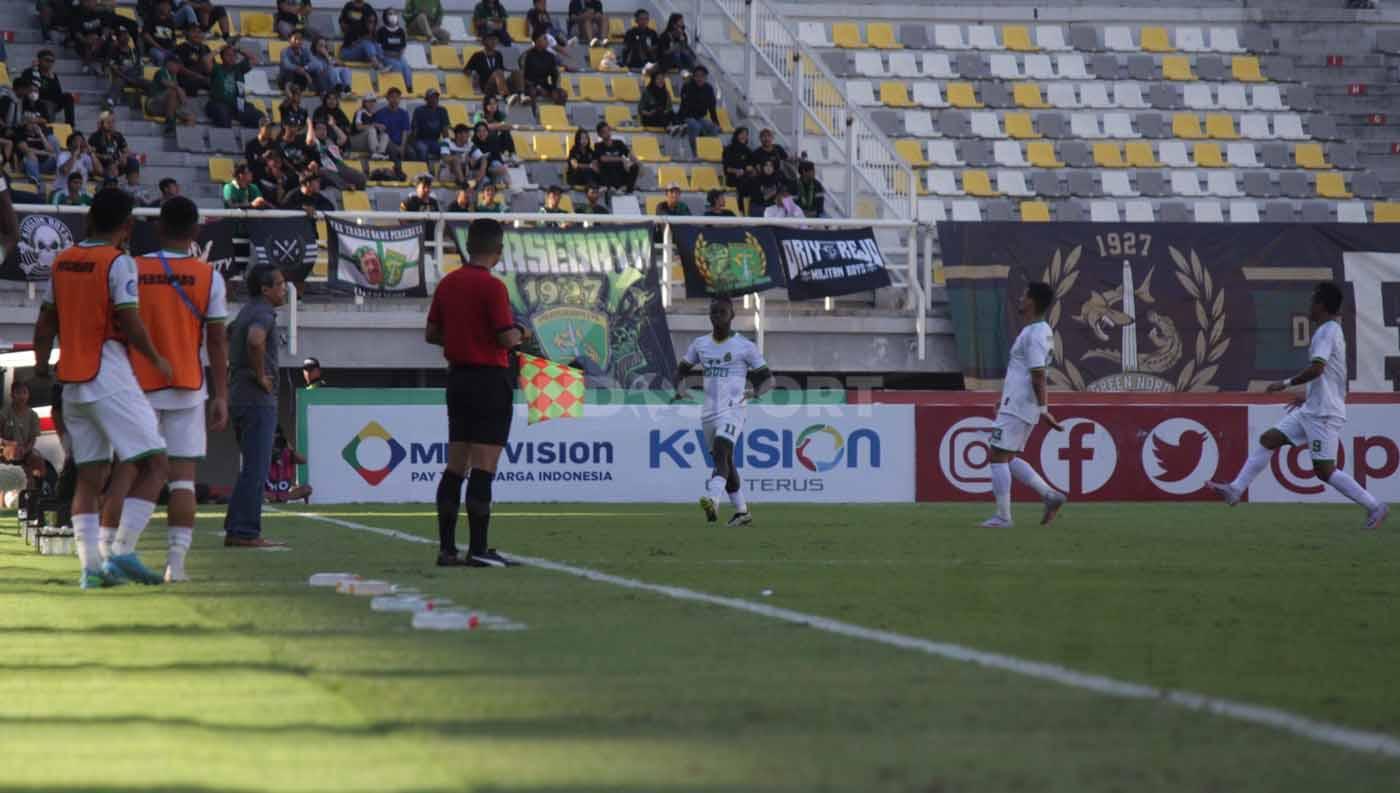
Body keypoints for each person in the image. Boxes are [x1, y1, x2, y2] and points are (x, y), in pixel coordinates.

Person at [32, 188, 173, 588]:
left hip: (72, 382)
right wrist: (155, 358)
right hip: (108, 375)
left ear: (90, 219)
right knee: (157, 464)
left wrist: (42, 367)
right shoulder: (119, 262)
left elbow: (45, 323)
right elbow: (128, 320)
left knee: (90, 477)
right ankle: (123, 551)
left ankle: (90, 570)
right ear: (126, 226)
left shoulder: (62, 261)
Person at [1210, 282, 1389, 528]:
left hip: (1324, 415)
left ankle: (1375, 506)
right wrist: (1308, 396)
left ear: (1322, 305)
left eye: (1312, 302)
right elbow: (1332, 377)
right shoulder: (1331, 331)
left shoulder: (1327, 331)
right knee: (1269, 439)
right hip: (1313, 409)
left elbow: (1318, 368)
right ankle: (1235, 490)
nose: (1309, 307)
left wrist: (1284, 384)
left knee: (1325, 471)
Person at [130, 197, 230, 582]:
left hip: (138, 386)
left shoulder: (133, 269)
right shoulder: (208, 277)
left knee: (133, 475)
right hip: (188, 386)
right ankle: (176, 563)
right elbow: (217, 340)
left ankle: (121, 550)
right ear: (195, 231)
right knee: (183, 479)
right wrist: (221, 393)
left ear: (157, 228)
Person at [425, 217, 523, 567]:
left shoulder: (448, 283)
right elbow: (505, 337)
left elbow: (432, 333)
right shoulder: (493, 287)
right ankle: (479, 550)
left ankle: (447, 549)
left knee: (456, 466)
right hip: (489, 380)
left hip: (458, 379)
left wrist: (461, 338)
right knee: (484, 467)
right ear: (498, 251)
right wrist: (521, 334)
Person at [673, 297, 773, 526]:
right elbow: (680, 371)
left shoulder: (745, 346)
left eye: (722, 312)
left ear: (732, 315)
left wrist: (756, 392)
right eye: (713, 312)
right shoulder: (700, 344)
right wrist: (679, 388)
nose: (717, 316)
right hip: (708, 413)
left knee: (721, 453)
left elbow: (768, 379)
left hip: (733, 410)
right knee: (726, 461)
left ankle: (713, 501)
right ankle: (742, 512)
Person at [980, 281, 1067, 528]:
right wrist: (1005, 398)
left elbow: (1038, 374)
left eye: (1024, 295)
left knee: (997, 455)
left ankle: (1003, 517)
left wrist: (1043, 410)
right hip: (1017, 402)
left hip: (1020, 405)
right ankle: (1050, 496)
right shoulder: (1036, 331)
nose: (1020, 298)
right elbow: (1024, 373)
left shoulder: (1035, 334)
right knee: (1005, 455)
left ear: (1033, 301)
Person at [224, 265, 287, 547]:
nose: (284, 289)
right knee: (257, 468)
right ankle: (245, 531)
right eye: (280, 284)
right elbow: (255, 340)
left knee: (251, 466)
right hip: (257, 401)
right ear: (265, 289)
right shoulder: (262, 312)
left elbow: (230, 334)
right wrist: (261, 375)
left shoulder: (246, 310)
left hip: (240, 396)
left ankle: (236, 525)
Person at [1, 381, 45, 490]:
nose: (22, 396)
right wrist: (9, 445)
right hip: (6, 450)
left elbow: (32, 439)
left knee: (37, 463)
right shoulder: (5, 413)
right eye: (18, 393)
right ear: (12, 395)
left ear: (28, 395)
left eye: (24, 392)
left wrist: (25, 450)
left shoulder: (33, 415)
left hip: (25, 450)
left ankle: (33, 493)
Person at [208, 44, 265, 128]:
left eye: (234, 55)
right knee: (223, 115)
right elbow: (206, 60)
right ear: (222, 57)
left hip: (238, 104)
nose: (232, 58)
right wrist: (219, 49)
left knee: (261, 118)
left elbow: (254, 59)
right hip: (219, 103)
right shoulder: (217, 68)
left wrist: (238, 49)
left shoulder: (239, 68)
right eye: (228, 55)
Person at [21, 50, 77, 126]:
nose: (49, 63)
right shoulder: (30, 72)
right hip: (37, 102)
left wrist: (51, 79)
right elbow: (28, 89)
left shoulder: (53, 75)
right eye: (47, 60)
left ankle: (70, 125)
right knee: (47, 104)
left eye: (52, 61)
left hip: (52, 101)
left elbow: (58, 93)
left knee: (68, 97)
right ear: (39, 60)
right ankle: (48, 125)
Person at [100, 26, 147, 109]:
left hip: (134, 77)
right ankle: (109, 102)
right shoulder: (114, 51)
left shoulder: (134, 51)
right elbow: (114, 68)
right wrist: (126, 77)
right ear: (118, 38)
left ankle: (150, 104)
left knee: (150, 84)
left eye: (127, 34)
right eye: (123, 35)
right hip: (122, 77)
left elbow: (139, 66)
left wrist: (135, 74)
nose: (126, 37)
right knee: (118, 82)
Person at [678, 66, 721, 155]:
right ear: (693, 77)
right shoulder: (687, 87)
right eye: (697, 76)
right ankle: (696, 153)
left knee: (713, 127)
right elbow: (684, 107)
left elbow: (712, 107)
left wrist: (716, 122)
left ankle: (710, 152)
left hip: (700, 117)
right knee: (696, 126)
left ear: (706, 78)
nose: (699, 78)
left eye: (702, 76)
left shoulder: (709, 89)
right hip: (687, 116)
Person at [147, 56, 195, 134]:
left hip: (171, 108)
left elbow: (183, 99)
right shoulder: (161, 72)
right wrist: (178, 89)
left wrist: (182, 98)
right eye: (177, 65)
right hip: (155, 105)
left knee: (191, 117)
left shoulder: (174, 76)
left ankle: (185, 139)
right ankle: (170, 122)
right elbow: (165, 83)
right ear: (169, 64)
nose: (179, 68)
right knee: (173, 92)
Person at [265, 427, 313, 502]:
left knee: (307, 489)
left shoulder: (288, 453)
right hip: (268, 491)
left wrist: (290, 449)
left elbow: (303, 461)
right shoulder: (261, 452)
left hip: (285, 493)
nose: (274, 442)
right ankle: (278, 498)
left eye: (277, 439)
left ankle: (280, 498)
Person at [517, 32, 567, 106]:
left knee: (562, 94)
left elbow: (555, 73)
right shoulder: (527, 55)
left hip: (544, 85)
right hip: (529, 85)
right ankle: (534, 115)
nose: (547, 41)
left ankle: (559, 114)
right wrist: (534, 87)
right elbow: (521, 70)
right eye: (544, 39)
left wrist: (555, 88)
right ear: (537, 41)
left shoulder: (550, 56)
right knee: (532, 92)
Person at [90, 112, 140, 180]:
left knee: (133, 162)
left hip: (117, 162)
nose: (111, 124)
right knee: (110, 166)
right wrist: (102, 156)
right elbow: (91, 153)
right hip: (102, 163)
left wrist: (123, 157)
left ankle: (132, 186)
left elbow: (126, 150)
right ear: (102, 123)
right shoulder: (95, 136)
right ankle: (111, 184)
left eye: (113, 122)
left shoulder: (118, 135)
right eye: (108, 122)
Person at [593, 122, 639, 193]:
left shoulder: (619, 143)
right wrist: (621, 159)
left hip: (620, 174)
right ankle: (614, 188)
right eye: (604, 132)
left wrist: (636, 161)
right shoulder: (598, 145)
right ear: (599, 135)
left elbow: (629, 154)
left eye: (608, 130)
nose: (607, 133)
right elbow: (603, 158)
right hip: (608, 175)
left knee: (635, 167)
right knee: (607, 165)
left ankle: (626, 188)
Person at [339, 0, 385, 69]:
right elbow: (342, 23)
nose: (371, 24)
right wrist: (348, 32)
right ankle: (377, 65)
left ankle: (382, 64)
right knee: (366, 44)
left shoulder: (368, 8)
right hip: (347, 51)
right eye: (370, 22)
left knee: (374, 44)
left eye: (372, 22)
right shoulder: (349, 6)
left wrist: (371, 28)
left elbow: (375, 23)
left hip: (363, 52)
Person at [376, 9, 414, 93]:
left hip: (399, 56)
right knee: (397, 66)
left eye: (394, 13)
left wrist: (400, 54)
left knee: (406, 68)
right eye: (390, 14)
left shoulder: (400, 31)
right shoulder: (381, 31)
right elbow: (379, 48)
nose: (392, 16)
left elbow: (403, 45)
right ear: (385, 17)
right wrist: (387, 56)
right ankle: (400, 89)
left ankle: (409, 88)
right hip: (387, 56)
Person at [464, 32, 510, 100]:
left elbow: (502, 69)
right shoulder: (478, 55)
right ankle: (506, 97)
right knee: (498, 73)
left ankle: (522, 95)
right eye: (490, 39)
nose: (493, 42)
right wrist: (473, 74)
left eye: (495, 39)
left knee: (517, 73)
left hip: (499, 84)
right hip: (486, 85)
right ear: (484, 42)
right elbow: (467, 70)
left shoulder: (498, 55)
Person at [472, 94, 518, 162]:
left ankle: (512, 154)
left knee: (505, 132)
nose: (493, 106)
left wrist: (499, 126)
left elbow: (507, 126)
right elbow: (485, 126)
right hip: (483, 142)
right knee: (493, 133)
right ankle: (499, 154)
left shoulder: (500, 115)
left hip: (496, 141)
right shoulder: (479, 114)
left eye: (494, 103)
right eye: (490, 104)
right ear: (485, 105)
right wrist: (500, 126)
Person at [370, 86, 411, 161]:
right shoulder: (380, 113)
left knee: (412, 153)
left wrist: (402, 146)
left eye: (397, 97)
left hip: (400, 143)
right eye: (392, 97)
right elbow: (374, 129)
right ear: (387, 98)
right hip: (387, 143)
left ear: (400, 99)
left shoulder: (404, 113)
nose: (395, 100)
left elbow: (405, 131)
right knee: (394, 152)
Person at [173, 24, 215, 95]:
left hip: (204, 77)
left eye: (199, 32)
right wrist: (198, 76)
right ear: (187, 34)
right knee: (188, 83)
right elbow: (180, 68)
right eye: (193, 32)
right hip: (189, 77)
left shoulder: (205, 48)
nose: (197, 35)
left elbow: (213, 66)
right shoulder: (181, 48)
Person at [411, 89, 450, 162]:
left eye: (436, 98)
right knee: (423, 150)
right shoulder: (419, 110)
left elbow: (445, 130)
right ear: (426, 99)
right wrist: (413, 141)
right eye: (431, 97)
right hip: (421, 140)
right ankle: (425, 171)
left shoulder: (442, 110)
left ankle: (442, 170)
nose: (434, 100)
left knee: (446, 150)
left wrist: (447, 144)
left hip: (435, 141)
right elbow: (414, 130)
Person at [350, 93, 390, 159]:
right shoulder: (360, 112)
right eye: (369, 101)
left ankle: (380, 154)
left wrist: (381, 129)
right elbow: (358, 127)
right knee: (371, 130)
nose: (372, 103)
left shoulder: (374, 114)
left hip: (367, 142)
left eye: (373, 101)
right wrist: (374, 125)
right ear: (364, 103)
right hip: (355, 140)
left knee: (385, 135)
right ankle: (375, 153)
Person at [142, 1, 180, 66]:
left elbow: (173, 38)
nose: (166, 7)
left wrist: (173, 48)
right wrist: (159, 48)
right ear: (158, 6)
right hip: (154, 49)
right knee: (160, 56)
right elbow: (146, 35)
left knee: (178, 57)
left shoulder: (171, 21)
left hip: (168, 49)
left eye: (168, 5)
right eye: (164, 4)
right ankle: (161, 74)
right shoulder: (151, 18)